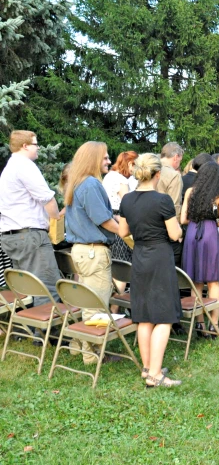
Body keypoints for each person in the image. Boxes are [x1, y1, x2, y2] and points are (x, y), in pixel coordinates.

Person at [118, 153, 183, 387]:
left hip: (140, 256)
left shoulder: (127, 200)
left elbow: (123, 232)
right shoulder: (162, 200)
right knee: (164, 316)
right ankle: (156, 374)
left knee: (144, 315)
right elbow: (175, 234)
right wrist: (179, 233)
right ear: (158, 174)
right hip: (160, 256)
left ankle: (147, 369)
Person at [64, 141, 121, 365]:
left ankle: (77, 347)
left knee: (86, 301)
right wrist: (126, 233)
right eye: (105, 157)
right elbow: (104, 220)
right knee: (96, 305)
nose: (109, 161)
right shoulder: (89, 184)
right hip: (93, 252)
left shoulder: (78, 182)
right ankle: (93, 355)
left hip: (81, 251)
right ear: (93, 160)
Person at [0, 130, 62, 306]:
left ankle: (27, 330)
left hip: (12, 236)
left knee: (28, 289)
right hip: (30, 235)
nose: (39, 147)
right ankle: (43, 333)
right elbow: (47, 199)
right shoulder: (24, 165)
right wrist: (55, 224)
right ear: (25, 146)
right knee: (47, 288)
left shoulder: (9, 168)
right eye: (36, 144)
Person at [181, 162, 219, 332]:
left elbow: (182, 220)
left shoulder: (189, 192)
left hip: (192, 231)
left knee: (196, 281)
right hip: (208, 232)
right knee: (213, 281)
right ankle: (213, 324)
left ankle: (199, 323)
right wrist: (212, 217)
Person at [102, 150, 138, 264]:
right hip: (120, 220)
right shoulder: (121, 180)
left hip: (108, 218)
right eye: (135, 166)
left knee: (114, 263)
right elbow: (128, 203)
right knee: (122, 262)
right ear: (130, 164)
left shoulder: (109, 176)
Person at [157, 142, 184, 265]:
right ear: (176, 157)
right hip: (166, 227)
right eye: (180, 160)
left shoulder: (149, 169)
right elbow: (174, 205)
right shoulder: (173, 175)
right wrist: (177, 231)